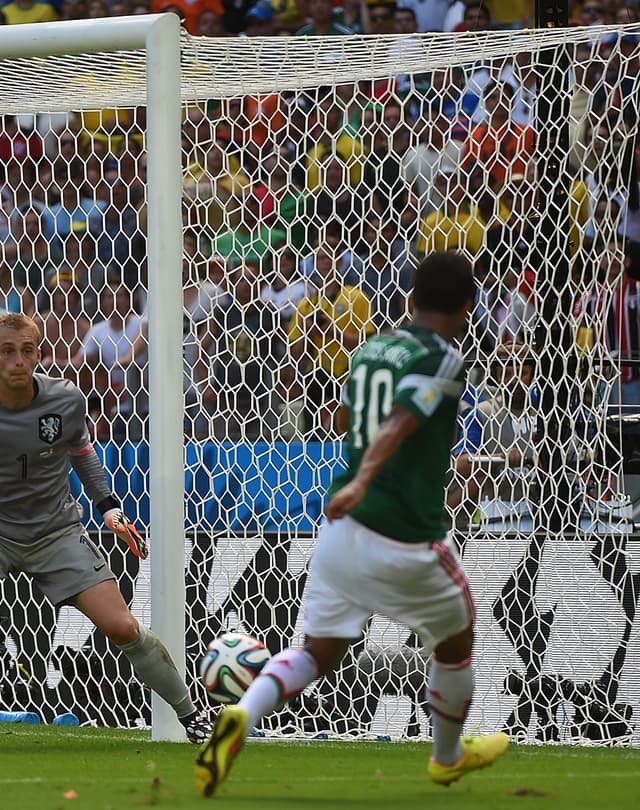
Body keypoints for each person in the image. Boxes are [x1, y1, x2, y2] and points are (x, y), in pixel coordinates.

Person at [195, 252, 508, 797]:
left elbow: (344, 419)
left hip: (341, 532)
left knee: (317, 651)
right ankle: (447, 756)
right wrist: (367, 477)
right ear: (468, 305)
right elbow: (400, 421)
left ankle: (242, 715)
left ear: (410, 298)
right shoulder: (443, 358)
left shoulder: (371, 349)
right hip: (405, 533)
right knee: (457, 640)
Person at [0, 312, 210, 747]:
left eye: (28, 350)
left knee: (123, 627)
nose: (18, 360)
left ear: (40, 354)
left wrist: (110, 508)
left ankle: (193, 718)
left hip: (56, 533)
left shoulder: (65, 400)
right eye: (7, 351)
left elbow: (82, 453)